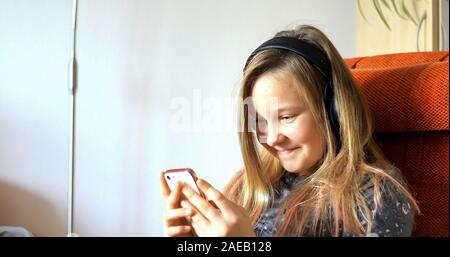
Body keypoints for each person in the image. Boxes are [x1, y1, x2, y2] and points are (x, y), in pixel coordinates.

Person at [160, 24, 420, 237]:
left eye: (286, 117)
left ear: (335, 111)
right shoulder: (248, 187)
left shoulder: (374, 195)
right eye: (260, 120)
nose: (272, 138)